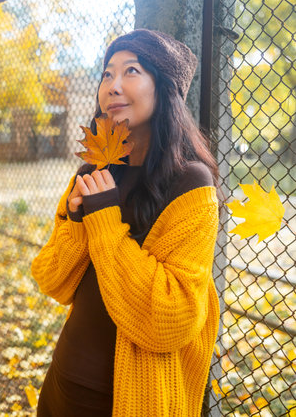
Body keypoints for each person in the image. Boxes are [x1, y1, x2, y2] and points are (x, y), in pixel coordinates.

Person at [32, 28, 221, 417]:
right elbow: (52, 281)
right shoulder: (93, 172)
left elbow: (172, 317)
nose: (113, 86)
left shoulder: (190, 184)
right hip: (62, 385)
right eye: (106, 74)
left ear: (165, 88)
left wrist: (103, 220)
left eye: (131, 71)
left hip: (131, 400)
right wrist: (75, 221)